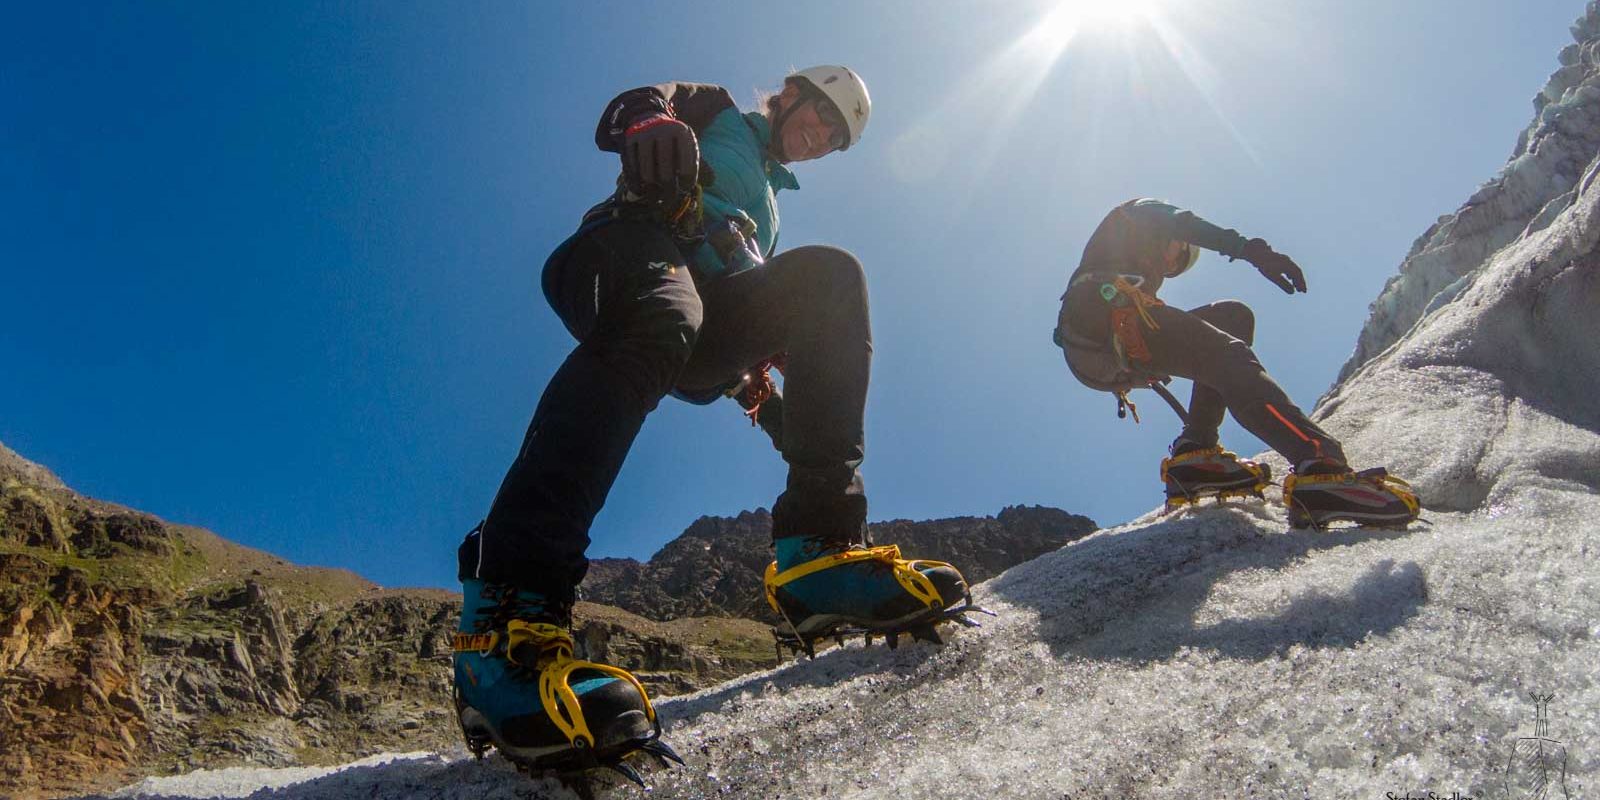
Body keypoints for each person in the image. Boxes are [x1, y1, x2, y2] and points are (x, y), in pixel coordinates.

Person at [452, 66, 973, 778]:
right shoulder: (719, 112)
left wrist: (767, 395)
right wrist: (650, 121)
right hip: (625, 249)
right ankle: (503, 628)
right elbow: (641, 103)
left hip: (704, 317)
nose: (819, 140)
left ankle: (818, 552)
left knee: (829, 281)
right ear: (789, 93)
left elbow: (741, 305)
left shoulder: (772, 210)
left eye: (834, 141)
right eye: (819, 118)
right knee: (667, 316)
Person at [1053, 198, 1420, 528]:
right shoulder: (1138, 213)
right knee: (1226, 355)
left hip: (1097, 343)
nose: (1172, 265)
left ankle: (1194, 455)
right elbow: (1181, 221)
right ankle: (1320, 466)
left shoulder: (1123, 258)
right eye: (1178, 256)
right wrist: (1250, 249)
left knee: (1232, 318)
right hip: (1104, 318)